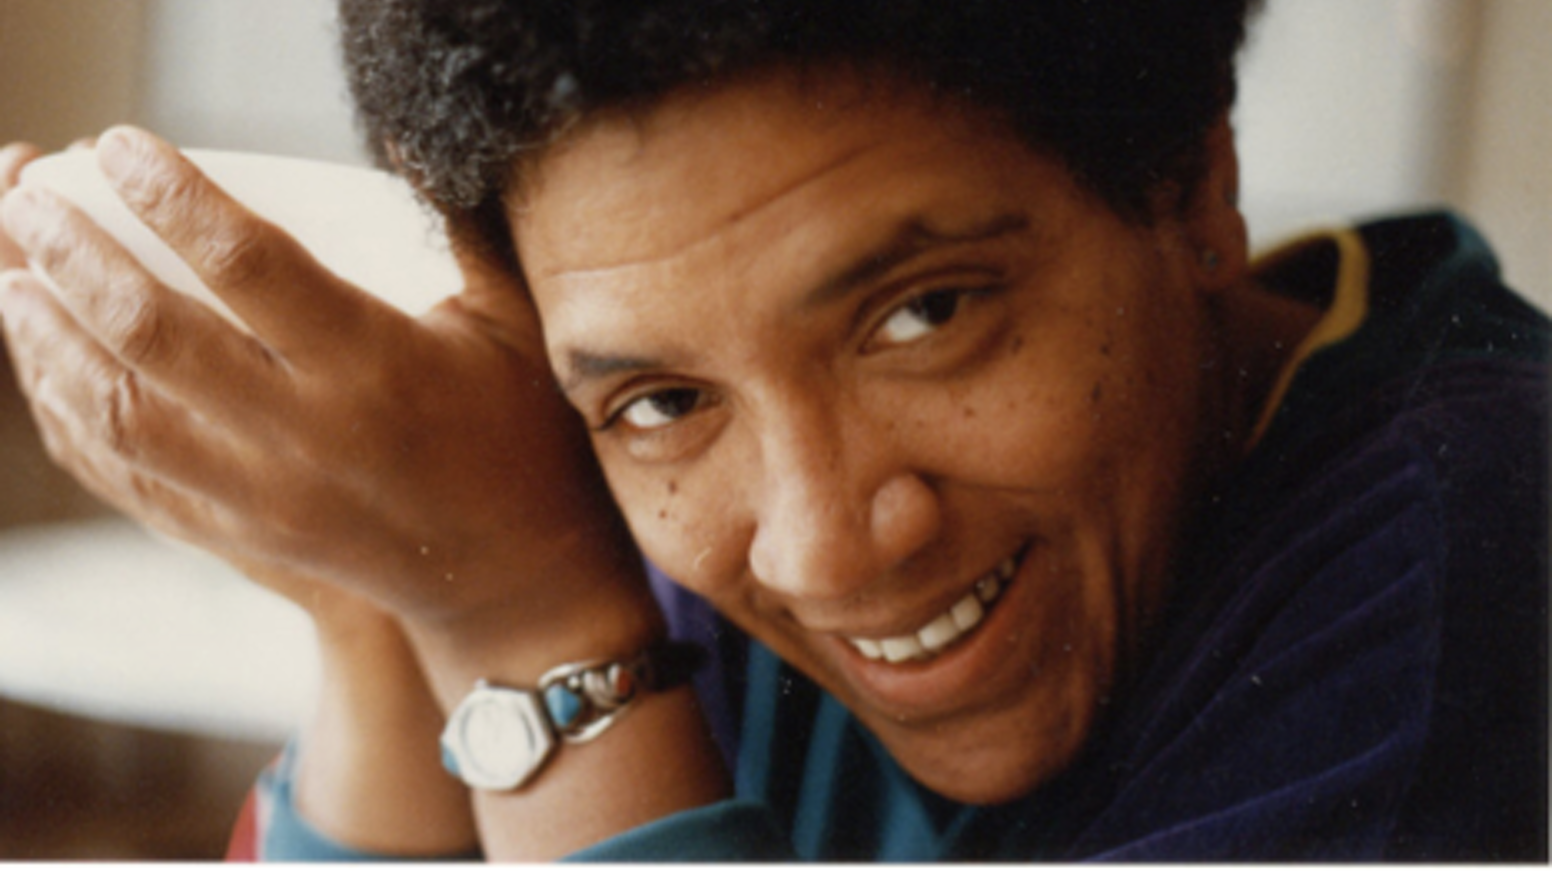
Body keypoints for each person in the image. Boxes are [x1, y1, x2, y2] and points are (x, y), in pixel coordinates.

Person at [0, 0, 1546, 861]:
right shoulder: (628, 507)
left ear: (1193, 188)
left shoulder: (1469, 550)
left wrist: (544, 652)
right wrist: (385, 593)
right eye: (662, 400)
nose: (824, 545)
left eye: (924, 315)